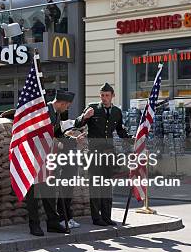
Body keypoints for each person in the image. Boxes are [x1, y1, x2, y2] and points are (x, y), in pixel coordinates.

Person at [75, 82, 131, 226]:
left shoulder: (117, 112)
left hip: (108, 154)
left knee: (107, 186)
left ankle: (107, 217)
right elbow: (77, 124)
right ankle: (96, 218)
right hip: (93, 153)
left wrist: (132, 140)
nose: (104, 98)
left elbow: (120, 130)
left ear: (113, 96)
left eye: (107, 95)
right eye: (102, 95)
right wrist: (85, 117)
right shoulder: (92, 108)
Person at [24, 89, 76, 237]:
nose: (67, 108)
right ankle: (34, 224)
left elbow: (57, 133)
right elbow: (40, 134)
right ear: (61, 103)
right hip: (34, 155)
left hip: (47, 157)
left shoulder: (56, 113)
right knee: (33, 192)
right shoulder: (43, 112)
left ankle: (52, 222)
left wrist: (71, 139)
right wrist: (56, 144)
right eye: (67, 105)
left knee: (49, 191)